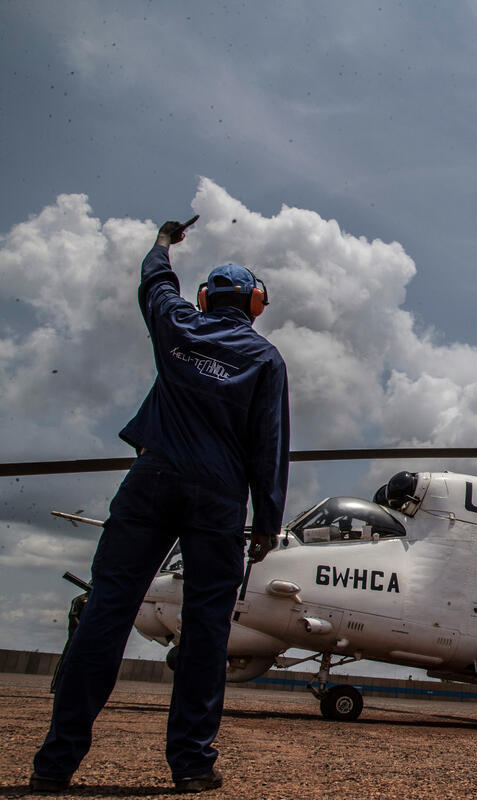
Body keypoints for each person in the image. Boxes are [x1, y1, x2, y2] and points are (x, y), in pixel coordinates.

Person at [30, 216, 290, 794]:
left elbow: (155, 283)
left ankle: (55, 763)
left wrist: (163, 243)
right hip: (219, 499)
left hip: (152, 481)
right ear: (255, 303)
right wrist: (267, 524)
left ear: (205, 298)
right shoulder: (265, 360)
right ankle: (192, 764)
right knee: (206, 630)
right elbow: (269, 447)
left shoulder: (177, 324)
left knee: (106, 611)